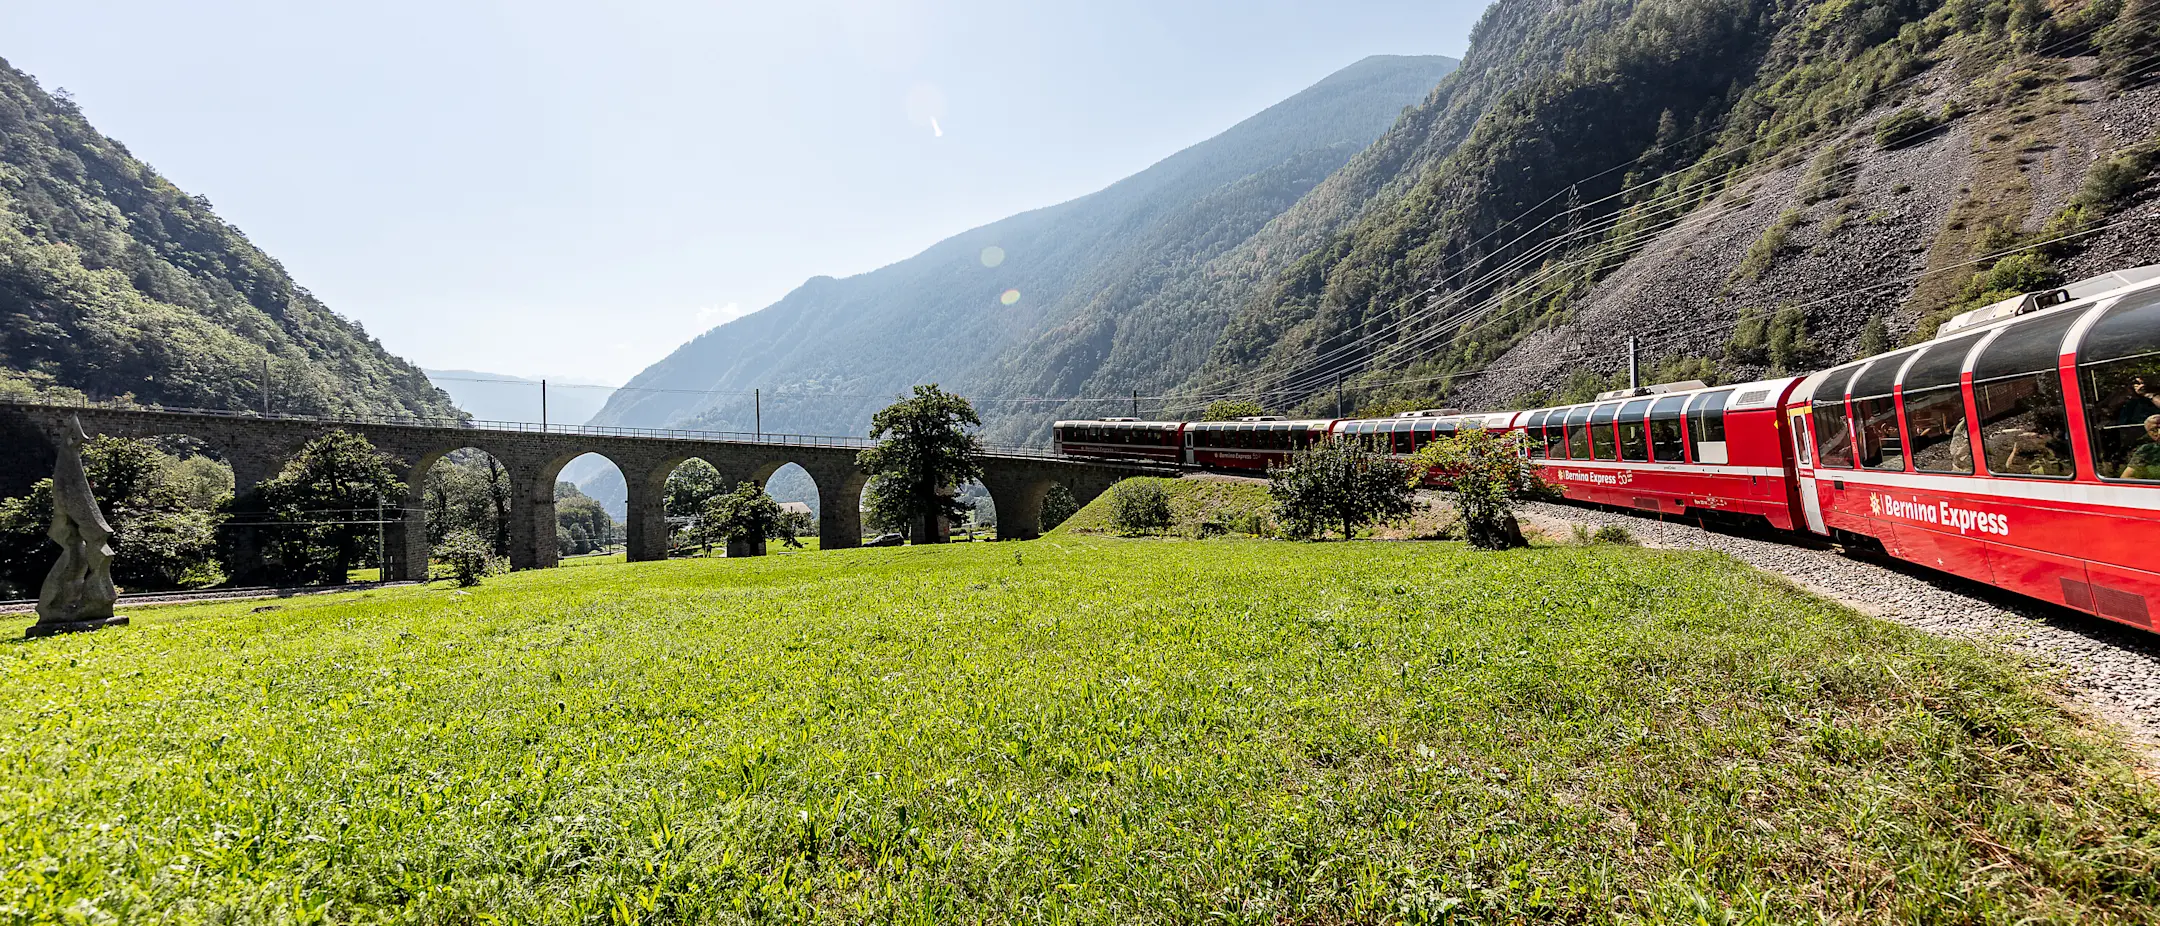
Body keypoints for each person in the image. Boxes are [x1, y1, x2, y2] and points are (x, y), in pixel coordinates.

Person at [2122, 415, 2160, 479]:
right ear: (2148, 433)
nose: (2159, 433)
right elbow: (2126, 477)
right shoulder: (2147, 450)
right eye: (2154, 430)